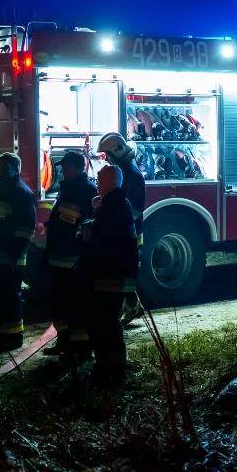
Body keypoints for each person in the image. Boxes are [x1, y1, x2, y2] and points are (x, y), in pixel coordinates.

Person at [80, 164, 139, 387]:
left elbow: (102, 237)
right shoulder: (116, 204)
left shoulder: (114, 206)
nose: (96, 180)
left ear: (111, 182)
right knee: (105, 322)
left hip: (110, 274)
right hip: (111, 273)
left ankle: (111, 369)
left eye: (100, 177)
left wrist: (88, 230)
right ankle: (110, 366)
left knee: (104, 323)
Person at [41, 150, 97, 361]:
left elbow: (88, 225)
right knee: (60, 304)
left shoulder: (87, 191)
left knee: (77, 306)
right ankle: (64, 342)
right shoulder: (66, 190)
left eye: (66, 167)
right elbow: (61, 220)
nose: (62, 170)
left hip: (74, 260)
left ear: (78, 167)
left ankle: (81, 348)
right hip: (58, 257)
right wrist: (47, 226)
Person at [0, 152, 36, 352]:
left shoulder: (22, 193)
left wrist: (15, 253)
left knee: (9, 296)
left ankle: (13, 337)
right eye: (0, 167)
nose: (1, 171)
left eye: (6, 168)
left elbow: (27, 228)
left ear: (16, 169)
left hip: (12, 256)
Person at [98, 132, 148, 326]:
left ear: (116, 153)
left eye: (107, 155)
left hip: (130, 234)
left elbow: (136, 208)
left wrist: (117, 221)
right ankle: (133, 306)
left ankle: (132, 307)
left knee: (124, 272)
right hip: (124, 232)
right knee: (121, 272)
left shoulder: (133, 175)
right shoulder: (124, 170)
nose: (106, 159)